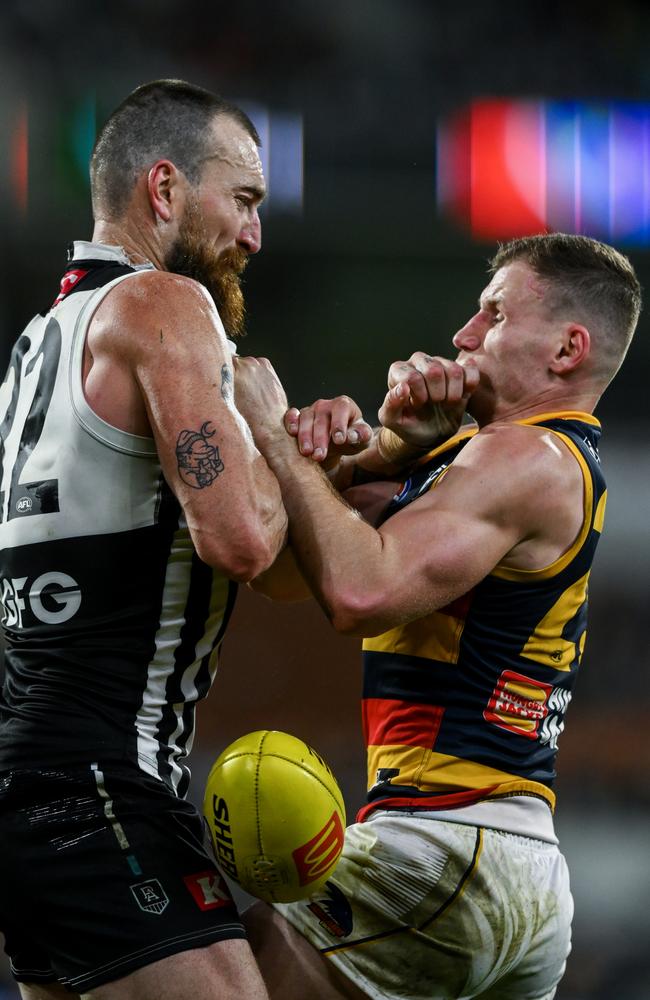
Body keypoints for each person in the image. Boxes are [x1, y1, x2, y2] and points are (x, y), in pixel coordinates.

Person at [232, 233, 642, 1000]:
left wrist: (274, 439)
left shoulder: (520, 458)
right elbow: (286, 578)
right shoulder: (502, 461)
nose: (463, 335)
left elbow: (360, 594)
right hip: (519, 870)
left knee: (212, 974)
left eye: (492, 313)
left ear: (567, 348)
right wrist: (382, 451)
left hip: (443, 843)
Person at [0, 79, 298, 1000]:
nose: (254, 234)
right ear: (164, 189)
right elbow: (244, 542)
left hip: (36, 778)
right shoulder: (167, 305)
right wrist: (277, 435)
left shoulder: (38, 340)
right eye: (243, 200)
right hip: (93, 783)